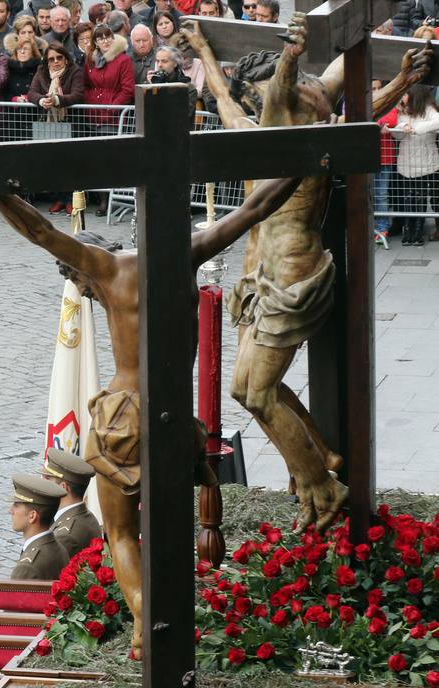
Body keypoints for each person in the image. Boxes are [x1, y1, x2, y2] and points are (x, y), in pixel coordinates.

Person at [0, 171, 302, 653]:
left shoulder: (108, 269)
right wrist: (304, 165)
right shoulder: (188, 254)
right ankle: (166, 613)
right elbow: (255, 208)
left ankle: (142, 618)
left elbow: (41, 231)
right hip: (175, 416)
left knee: (120, 530)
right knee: (170, 526)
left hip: (124, 417)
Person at [181, 15, 430, 527]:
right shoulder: (260, 136)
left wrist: (296, 57)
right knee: (240, 391)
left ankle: (322, 488)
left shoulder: (303, 137)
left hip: (294, 279)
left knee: (260, 393)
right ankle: (323, 456)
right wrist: (204, 50)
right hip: (258, 282)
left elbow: (346, 107)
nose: (255, 101)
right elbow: (229, 104)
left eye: (264, 92)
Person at [392, 84, 439, 245]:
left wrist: (417, 128)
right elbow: (397, 135)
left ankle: (417, 232)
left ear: (415, 95)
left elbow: (437, 121)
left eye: (406, 94)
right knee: (407, 198)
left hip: (425, 163)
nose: (403, 97)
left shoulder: (428, 109)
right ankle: (408, 231)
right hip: (406, 162)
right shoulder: (403, 111)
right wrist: (402, 127)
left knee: (420, 198)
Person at [40, 448, 102, 557]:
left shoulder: (65, 536)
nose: (42, 483)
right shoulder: (86, 516)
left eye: (48, 478)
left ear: (63, 488)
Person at [7, 473, 70, 580]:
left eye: (16, 505)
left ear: (32, 516)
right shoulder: (59, 548)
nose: (10, 510)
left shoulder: (26, 568)